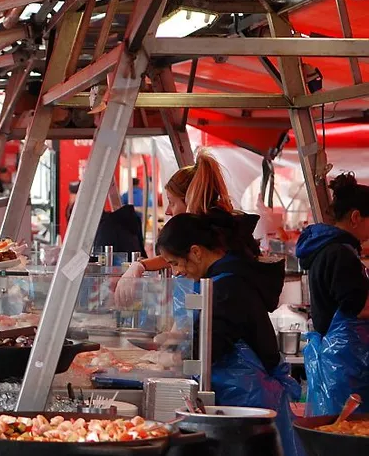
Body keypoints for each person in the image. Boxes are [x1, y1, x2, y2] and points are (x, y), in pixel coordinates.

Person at [157, 212, 302, 456]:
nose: (177, 272)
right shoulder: (224, 278)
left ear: (196, 251)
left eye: (174, 263)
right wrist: (177, 340)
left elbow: (213, 344)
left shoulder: (227, 286)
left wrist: (174, 357)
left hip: (247, 399)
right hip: (247, 398)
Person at [114, 152, 259, 304]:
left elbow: (200, 306)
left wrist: (139, 266)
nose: (168, 211)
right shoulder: (222, 230)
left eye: (172, 202)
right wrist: (140, 266)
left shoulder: (213, 245)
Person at [295, 173, 369, 416]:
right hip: (343, 363)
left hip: (336, 359)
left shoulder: (328, 248)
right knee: (347, 432)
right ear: (356, 217)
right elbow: (356, 307)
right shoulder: (341, 253)